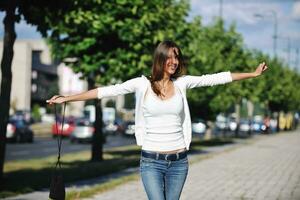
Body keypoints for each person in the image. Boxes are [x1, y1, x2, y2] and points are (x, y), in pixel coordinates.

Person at [47, 40, 268, 200]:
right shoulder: (142, 84)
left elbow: (216, 78)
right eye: (170, 56)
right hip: (151, 162)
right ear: (160, 58)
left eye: (177, 56)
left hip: (179, 163)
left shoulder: (182, 83)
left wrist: (253, 74)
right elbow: (105, 91)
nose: (174, 61)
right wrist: (67, 98)